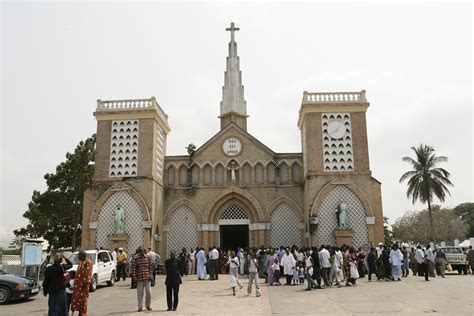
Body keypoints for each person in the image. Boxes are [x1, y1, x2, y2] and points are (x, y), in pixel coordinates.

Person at [70, 250, 93, 315]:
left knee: (83, 303)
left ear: (83, 256)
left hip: (83, 287)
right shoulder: (80, 263)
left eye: (79, 255)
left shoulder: (88, 263)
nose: (78, 256)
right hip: (77, 287)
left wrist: (85, 284)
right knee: (77, 302)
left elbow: (88, 274)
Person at [132, 247, 152, 312]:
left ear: (144, 251)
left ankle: (148, 305)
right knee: (140, 293)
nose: (141, 252)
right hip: (140, 279)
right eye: (140, 251)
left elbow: (150, 267)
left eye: (142, 251)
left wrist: (150, 275)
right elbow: (134, 268)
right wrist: (134, 277)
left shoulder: (148, 257)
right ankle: (140, 307)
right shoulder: (136, 259)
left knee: (148, 292)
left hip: (147, 278)